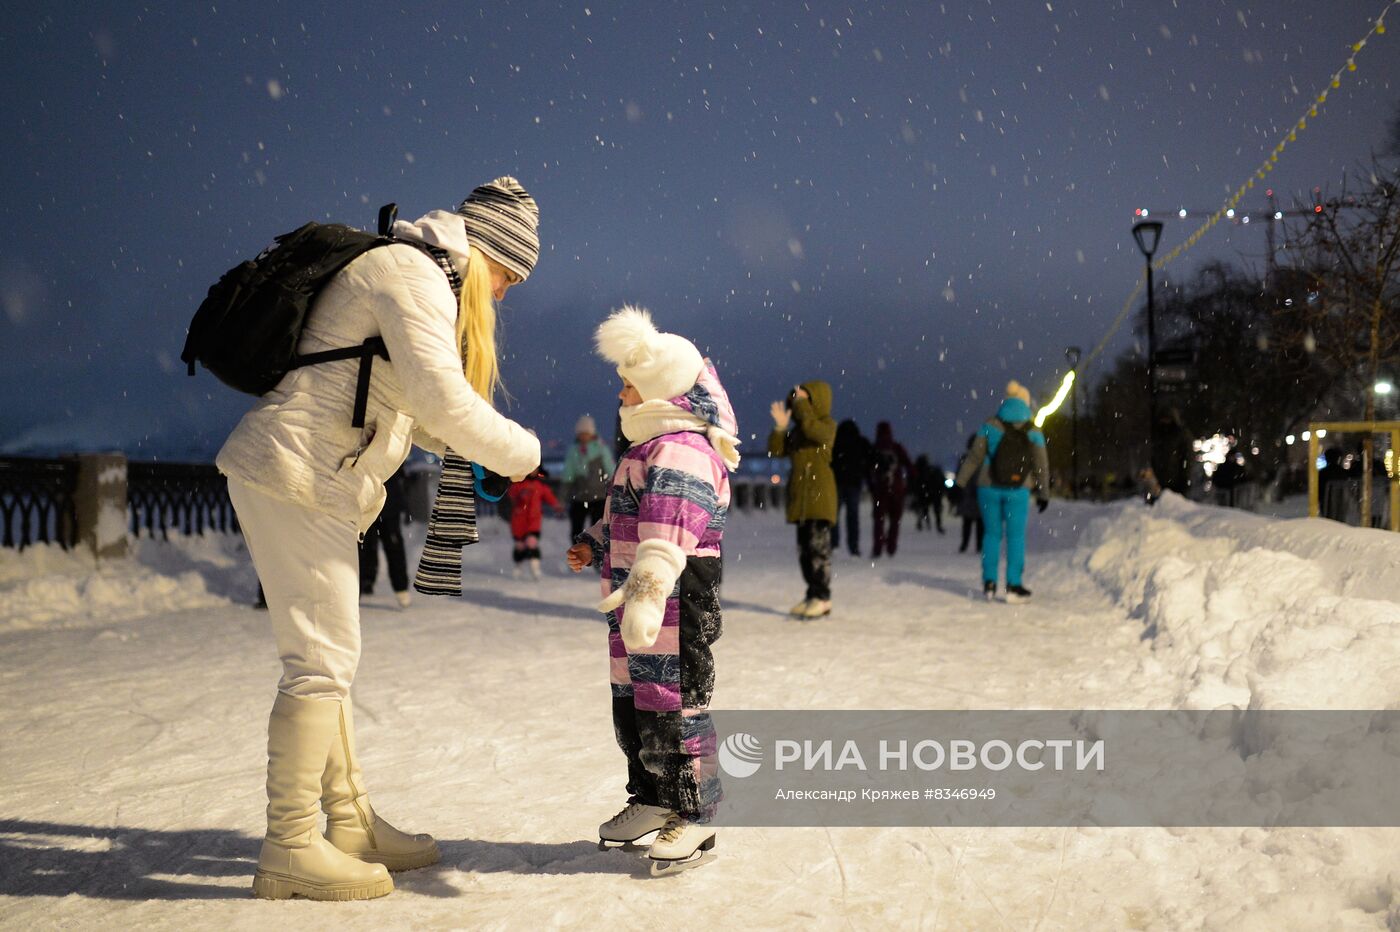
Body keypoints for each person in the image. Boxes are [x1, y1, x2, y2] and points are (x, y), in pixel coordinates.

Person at [216, 177, 542, 901]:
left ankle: (349, 821)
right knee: (321, 663)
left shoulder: (414, 271)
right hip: (294, 475)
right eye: (509, 279)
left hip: (311, 479)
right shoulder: (412, 275)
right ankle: (291, 843)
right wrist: (523, 452)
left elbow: (408, 406)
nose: (503, 297)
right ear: (486, 252)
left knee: (327, 660)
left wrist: (475, 447)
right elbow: (440, 399)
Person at [567, 306, 739, 875]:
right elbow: (630, 518)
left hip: (675, 596)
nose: (620, 392)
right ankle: (652, 797)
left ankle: (695, 811)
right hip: (637, 603)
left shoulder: (683, 450)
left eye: (628, 383)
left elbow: (668, 533)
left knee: (677, 704)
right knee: (637, 706)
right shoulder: (644, 451)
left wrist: (646, 590)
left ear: (658, 390)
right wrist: (595, 542)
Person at [955, 381, 1049, 603]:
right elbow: (1041, 465)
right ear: (1026, 404)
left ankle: (989, 583)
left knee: (992, 534)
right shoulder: (1033, 429)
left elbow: (974, 457)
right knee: (1015, 536)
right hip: (1019, 490)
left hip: (988, 486)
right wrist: (1043, 492)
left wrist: (960, 483)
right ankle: (1013, 586)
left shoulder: (990, 425)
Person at [767, 380, 837, 618]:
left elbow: (811, 429)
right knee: (805, 551)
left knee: (819, 550)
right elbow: (776, 450)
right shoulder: (799, 431)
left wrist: (802, 406)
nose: (797, 402)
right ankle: (812, 594)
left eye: (804, 398)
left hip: (820, 497)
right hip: (801, 499)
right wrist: (781, 427)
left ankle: (822, 597)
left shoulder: (826, 426)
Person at [359, 467, 411, 607]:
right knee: (365, 545)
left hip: (388, 501)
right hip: (366, 501)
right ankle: (365, 582)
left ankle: (401, 588)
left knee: (392, 545)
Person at [561, 414, 616, 542]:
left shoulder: (601, 449)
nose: (583, 436)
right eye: (581, 433)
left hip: (599, 497)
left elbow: (611, 471)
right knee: (576, 530)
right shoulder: (573, 451)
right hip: (579, 497)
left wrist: (614, 493)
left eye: (586, 433)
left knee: (597, 531)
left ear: (592, 433)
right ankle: (576, 556)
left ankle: (596, 556)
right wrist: (561, 498)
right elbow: (568, 476)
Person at [507, 465, 563, 578]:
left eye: (535, 469)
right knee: (520, 546)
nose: (533, 471)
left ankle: (535, 568)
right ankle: (518, 566)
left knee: (532, 543)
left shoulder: (539, 486)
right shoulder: (518, 485)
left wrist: (556, 505)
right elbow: (511, 495)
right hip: (519, 522)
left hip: (534, 523)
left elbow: (549, 497)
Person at [869, 421, 912, 558]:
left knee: (879, 520)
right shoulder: (896, 447)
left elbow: (867, 468)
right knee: (895, 520)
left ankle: (878, 547)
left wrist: (872, 485)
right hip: (897, 489)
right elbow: (909, 466)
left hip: (880, 489)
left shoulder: (875, 448)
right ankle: (891, 547)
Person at [830, 419, 872, 556]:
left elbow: (828, 461)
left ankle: (834, 543)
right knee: (853, 516)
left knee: (833, 515)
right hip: (854, 483)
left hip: (837, 482)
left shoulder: (835, 441)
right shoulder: (860, 442)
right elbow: (870, 459)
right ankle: (853, 546)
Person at [1151, 408, 1195, 498]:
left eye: (1167, 419)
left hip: (1177, 480)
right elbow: (1155, 456)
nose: (1164, 421)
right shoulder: (1158, 434)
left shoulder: (1182, 434)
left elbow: (1187, 456)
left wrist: (1185, 477)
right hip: (1160, 480)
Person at [954, 434, 984, 554]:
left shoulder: (965, 459)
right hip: (978, 495)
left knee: (967, 522)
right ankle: (978, 545)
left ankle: (966, 544)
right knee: (979, 523)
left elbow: (959, 477)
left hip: (968, 496)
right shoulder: (984, 459)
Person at [912, 455, 947, 533]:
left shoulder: (921, 472)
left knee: (925, 509)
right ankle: (936, 525)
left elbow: (917, 484)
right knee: (935, 510)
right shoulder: (933, 470)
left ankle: (926, 524)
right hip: (934, 493)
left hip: (927, 493)